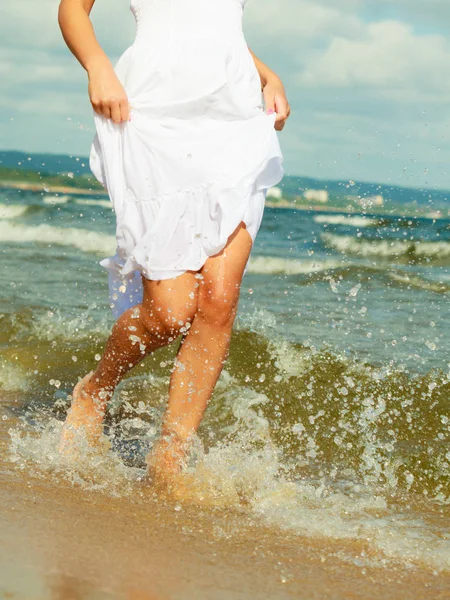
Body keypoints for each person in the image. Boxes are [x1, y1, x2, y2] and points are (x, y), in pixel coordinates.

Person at [57, 0, 290, 488]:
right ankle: (95, 389)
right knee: (169, 311)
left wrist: (268, 74)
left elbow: (214, 23)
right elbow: (72, 8)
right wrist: (98, 68)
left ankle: (170, 456)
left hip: (233, 119)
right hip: (152, 116)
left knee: (219, 299)